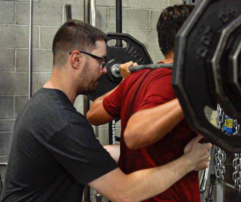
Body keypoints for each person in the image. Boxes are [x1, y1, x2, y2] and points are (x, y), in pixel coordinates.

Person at [0, 19, 212, 202]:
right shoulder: (62, 121)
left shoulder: (45, 106)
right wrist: (187, 162)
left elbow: (96, 154)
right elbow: (125, 192)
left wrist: (164, 149)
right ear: (76, 59)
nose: (104, 69)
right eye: (101, 61)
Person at [87, 5, 203, 202]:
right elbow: (134, 135)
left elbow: (93, 113)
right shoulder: (172, 82)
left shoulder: (138, 78)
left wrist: (124, 84)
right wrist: (195, 95)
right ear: (191, 38)